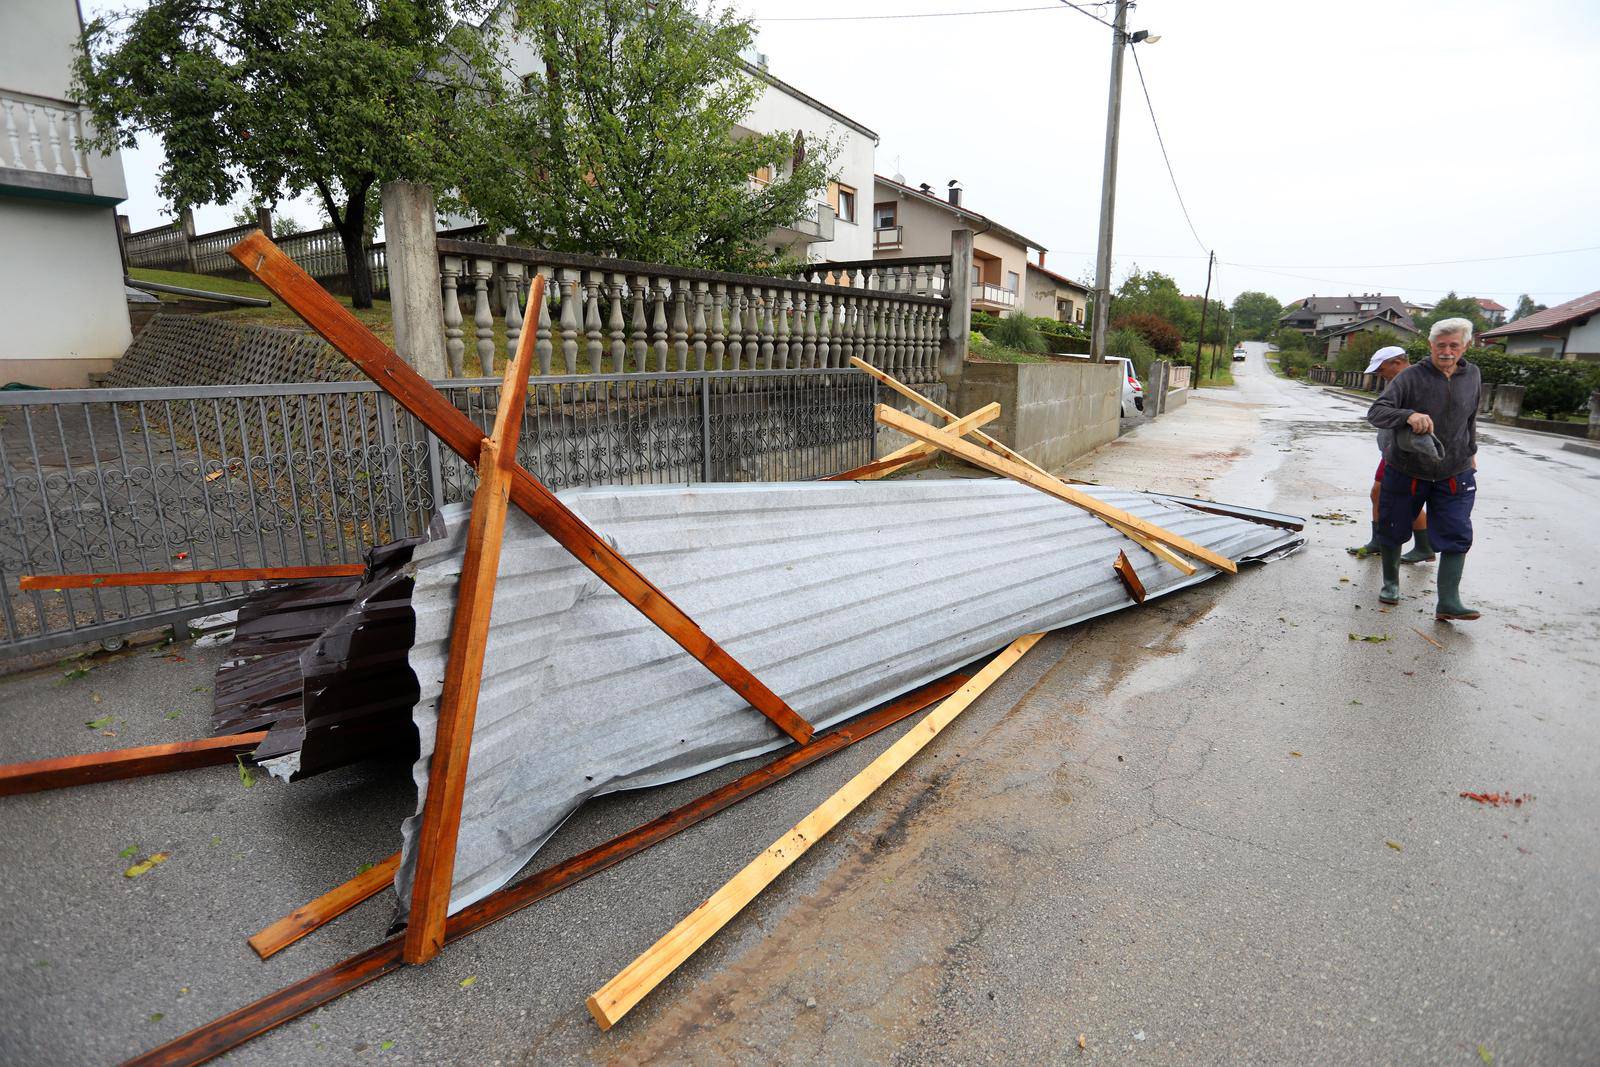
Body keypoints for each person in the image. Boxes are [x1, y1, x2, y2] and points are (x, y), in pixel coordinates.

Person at [1366, 318, 1483, 621]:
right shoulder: (1410, 378)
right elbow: (1376, 412)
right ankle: (1391, 585)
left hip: (1455, 470)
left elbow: (1471, 418)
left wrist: (1471, 451)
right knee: (1393, 527)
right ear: (1431, 345)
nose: (1446, 351)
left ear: (1465, 346)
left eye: (1453, 345)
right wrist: (1408, 415)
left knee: (1457, 532)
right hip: (1407, 468)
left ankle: (1448, 601)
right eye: (1440, 345)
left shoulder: (1472, 376)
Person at [1348, 345, 1433, 561]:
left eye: (1381, 369)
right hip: (1392, 450)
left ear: (1397, 363)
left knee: (1403, 500)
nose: (1379, 374)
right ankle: (1382, 541)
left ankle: (1423, 547)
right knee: (1378, 493)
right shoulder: (1399, 382)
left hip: (1406, 452)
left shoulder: (1417, 381)